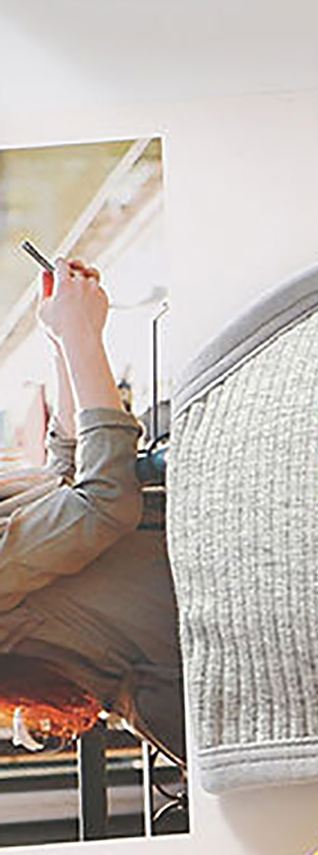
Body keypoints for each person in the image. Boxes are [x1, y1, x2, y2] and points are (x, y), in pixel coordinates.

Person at [0, 259, 185, 762]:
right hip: (217, 628)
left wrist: (60, 341)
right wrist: (81, 336)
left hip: (210, 584)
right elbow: (102, 504)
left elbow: (61, 477)